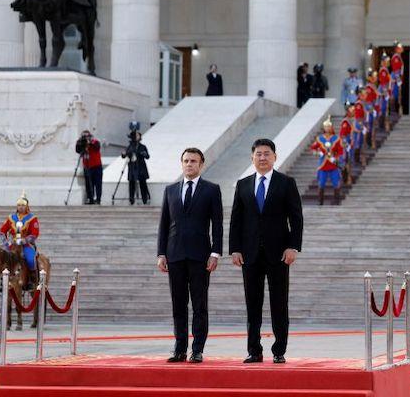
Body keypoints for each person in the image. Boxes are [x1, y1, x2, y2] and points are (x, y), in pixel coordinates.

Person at [228, 139, 303, 365]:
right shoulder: (242, 185)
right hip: (249, 254)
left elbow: (296, 218)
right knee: (253, 304)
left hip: (278, 253)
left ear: (274, 157)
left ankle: (279, 350)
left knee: (279, 303)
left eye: (267, 154)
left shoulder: (286, 183)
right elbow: (236, 220)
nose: (262, 157)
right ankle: (254, 350)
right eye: (258, 154)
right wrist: (235, 249)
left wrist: (293, 246)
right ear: (252, 158)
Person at [156, 148, 223, 364]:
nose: (189, 164)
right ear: (181, 163)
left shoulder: (212, 190)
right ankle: (179, 348)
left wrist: (215, 252)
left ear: (201, 164)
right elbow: (164, 225)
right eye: (186, 160)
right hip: (174, 255)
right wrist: (161, 253)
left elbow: (218, 224)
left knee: (199, 304)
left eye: (193, 161)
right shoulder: (170, 190)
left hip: (200, 256)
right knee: (178, 304)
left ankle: (197, 349)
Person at [0, 193, 40, 272]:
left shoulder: (32, 218)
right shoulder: (11, 217)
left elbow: (35, 234)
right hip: (12, 244)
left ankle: (32, 279)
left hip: (26, 245)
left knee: (30, 260)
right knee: (2, 259)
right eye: (19, 205)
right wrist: (6, 243)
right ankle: (3, 279)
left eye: (23, 205)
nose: (21, 207)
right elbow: (2, 231)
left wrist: (24, 240)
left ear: (27, 206)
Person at [309, 117, 345, 205]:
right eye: (326, 127)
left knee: (336, 183)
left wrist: (336, 158)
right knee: (321, 184)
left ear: (331, 127)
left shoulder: (336, 138)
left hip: (333, 164)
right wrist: (318, 153)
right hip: (323, 165)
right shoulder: (320, 138)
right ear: (323, 128)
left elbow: (340, 151)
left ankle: (337, 200)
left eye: (329, 127)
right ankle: (320, 202)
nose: (327, 128)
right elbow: (312, 148)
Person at [121, 130, 151, 205]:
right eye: (137, 135)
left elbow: (147, 156)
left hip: (141, 167)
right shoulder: (130, 146)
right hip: (132, 167)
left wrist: (143, 153)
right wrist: (124, 154)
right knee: (131, 183)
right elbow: (125, 155)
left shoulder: (142, 146)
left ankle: (145, 199)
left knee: (142, 183)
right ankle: (131, 199)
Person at [76, 130, 103, 205]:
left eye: (87, 136)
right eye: (84, 136)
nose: (85, 138)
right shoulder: (82, 144)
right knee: (88, 183)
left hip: (96, 166)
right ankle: (90, 198)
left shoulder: (95, 141)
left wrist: (89, 142)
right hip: (87, 166)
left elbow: (96, 147)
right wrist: (79, 142)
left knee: (97, 183)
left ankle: (98, 199)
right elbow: (77, 150)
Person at [377, 54, 392, 130]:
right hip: (383, 92)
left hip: (386, 91)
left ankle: (383, 126)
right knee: (383, 109)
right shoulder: (383, 70)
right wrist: (385, 92)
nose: (388, 62)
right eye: (387, 61)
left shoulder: (385, 70)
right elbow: (383, 83)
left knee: (385, 109)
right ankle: (381, 126)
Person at [390, 42, 405, 115]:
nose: (402, 48)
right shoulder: (396, 57)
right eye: (400, 47)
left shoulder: (398, 57)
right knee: (394, 95)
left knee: (397, 96)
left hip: (398, 78)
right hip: (396, 78)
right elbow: (396, 70)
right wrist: (398, 81)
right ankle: (393, 112)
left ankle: (395, 111)